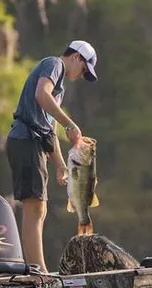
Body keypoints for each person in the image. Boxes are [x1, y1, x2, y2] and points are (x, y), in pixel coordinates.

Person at [6, 39, 98, 272]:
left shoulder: (60, 89)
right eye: (84, 69)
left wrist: (60, 165)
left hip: (36, 143)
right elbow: (41, 94)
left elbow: (50, 129)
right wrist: (70, 123)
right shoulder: (54, 64)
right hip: (25, 139)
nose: (81, 75)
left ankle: (36, 269)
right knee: (34, 207)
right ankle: (38, 271)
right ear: (76, 57)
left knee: (41, 209)